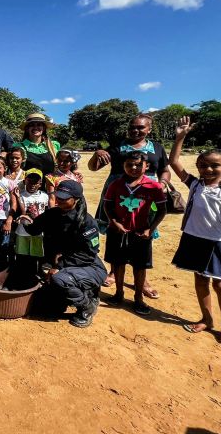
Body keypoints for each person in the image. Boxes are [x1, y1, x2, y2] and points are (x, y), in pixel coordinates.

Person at [169, 116, 221, 348]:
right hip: (193, 238)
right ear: (198, 167)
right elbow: (174, 162)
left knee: (220, 285)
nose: (209, 169)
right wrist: (180, 137)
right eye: (204, 165)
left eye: (215, 165)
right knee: (200, 280)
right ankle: (207, 318)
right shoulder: (195, 184)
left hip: (218, 242)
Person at [88, 113, 170, 298]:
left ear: (149, 128)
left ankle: (142, 278)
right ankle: (113, 272)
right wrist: (97, 154)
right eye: (132, 127)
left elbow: (165, 169)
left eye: (140, 127)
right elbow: (94, 167)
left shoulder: (157, 148)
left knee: (142, 232)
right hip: (117, 194)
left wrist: (163, 184)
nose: (135, 130)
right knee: (117, 231)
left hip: (147, 195)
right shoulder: (117, 146)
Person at [19, 180, 107, 328]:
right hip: (63, 264)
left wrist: (59, 266)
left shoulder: (87, 222)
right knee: (43, 306)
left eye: (64, 197)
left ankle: (87, 305)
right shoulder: (52, 214)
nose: (59, 199)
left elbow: (88, 255)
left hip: (88, 267)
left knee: (60, 279)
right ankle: (70, 293)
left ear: (76, 199)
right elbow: (34, 229)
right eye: (58, 196)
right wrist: (24, 221)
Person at [104, 151, 167, 316]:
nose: (133, 167)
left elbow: (162, 210)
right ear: (123, 165)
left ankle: (138, 298)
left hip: (140, 234)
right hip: (118, 231)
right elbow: (108, 205)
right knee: (117, 264)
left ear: (147, 166)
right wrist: (114, 222)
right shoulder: (115, 184)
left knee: (140, 267)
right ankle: (118, 293)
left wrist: (150, 229)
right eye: (129, 164)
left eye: (138, 164)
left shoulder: (153, 186)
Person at [13, 169, 49, 274]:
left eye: (35, 182)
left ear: (40, 184)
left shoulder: (45, 196)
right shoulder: (21, 195)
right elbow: (22, 212)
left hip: (38, 233)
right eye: (30, 181)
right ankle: (22, 276)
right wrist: (19, 198)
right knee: (21, 256)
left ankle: (33, 277)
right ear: (25, 182)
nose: (32, 184)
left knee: (36, 256)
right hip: (22, 232)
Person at [13, 113, 60, 178]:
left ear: (44, 128)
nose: (35, 127)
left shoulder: (53, 145)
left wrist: (75, 170)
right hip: (27, 187)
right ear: (27, 128)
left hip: (50, 187)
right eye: (32, 125)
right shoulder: (18, 147)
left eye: (39, 125)